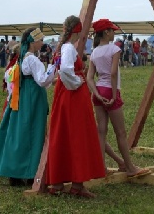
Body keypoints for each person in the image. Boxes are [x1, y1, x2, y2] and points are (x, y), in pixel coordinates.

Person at [46, 15, 105, 198]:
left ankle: (59, 182)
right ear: (78, 31)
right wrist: (77, 82)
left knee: (64, 134)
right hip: (73, 96)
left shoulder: (63, 47)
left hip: (64, 94)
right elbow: (65, 70)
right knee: (79, 135)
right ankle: (77, 184)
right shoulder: (69, 48)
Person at [0, 28, 56, 186]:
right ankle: (32, 172)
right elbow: (41, 80)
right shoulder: (32, 59)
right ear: (33, 42)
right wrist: (53, 69)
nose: (42, 42)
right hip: (32, 98)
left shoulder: (22, 57)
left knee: (20, 132)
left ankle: (16, 173)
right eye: (40, 40)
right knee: (34, 132)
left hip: (22, 96)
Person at [87, 19, 151, 179]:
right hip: (110, 90)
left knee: (101, 132)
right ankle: (129, 167)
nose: (114, 33)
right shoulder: (114, 49)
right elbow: (113, 72)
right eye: (112, 30)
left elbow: (89, 77)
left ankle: (101, 168)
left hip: (99, 91)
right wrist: (114, 95)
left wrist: (96, 93)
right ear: (106, 32)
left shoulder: (94, 52)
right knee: (120, 133)